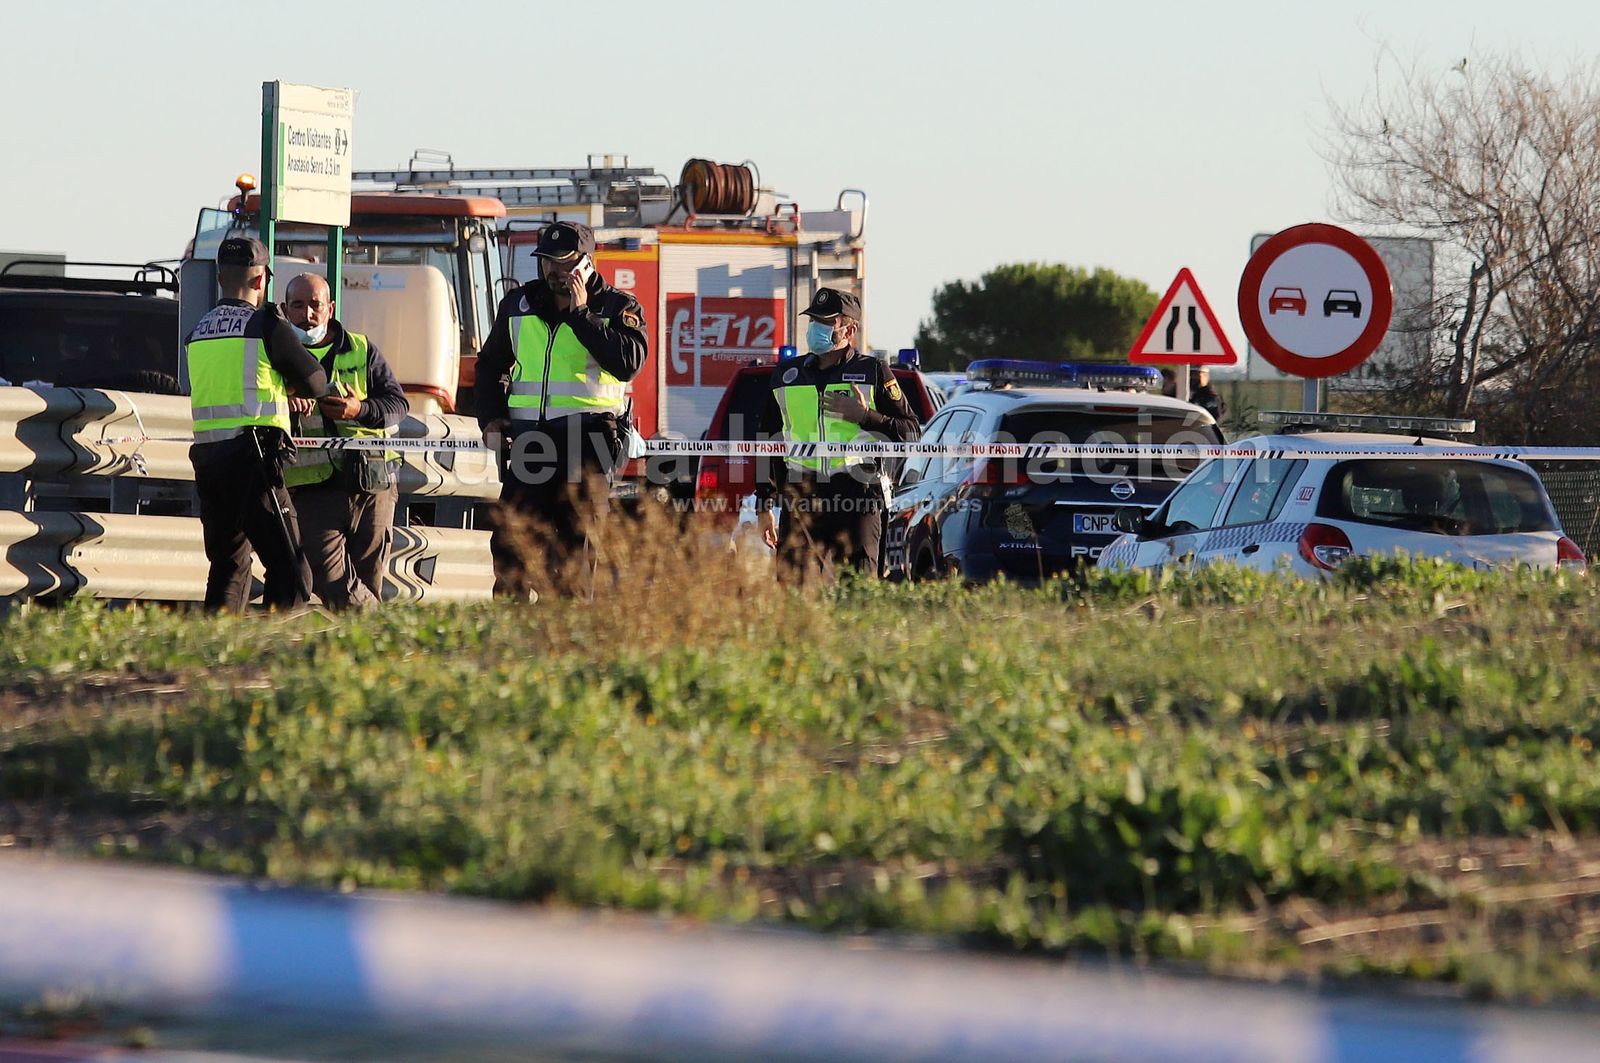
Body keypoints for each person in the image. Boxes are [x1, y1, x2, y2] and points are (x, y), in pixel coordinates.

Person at [475, 221, 647, 597]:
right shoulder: (519, 303)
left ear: (586, 264)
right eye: (546, 262)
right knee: (511, 546)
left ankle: (567, 642)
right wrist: (490, 418)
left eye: (564, 262)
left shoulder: (618, 306)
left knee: (574, 552)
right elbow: (489, 366)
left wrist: (581, 314)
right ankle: (508, 642)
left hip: (588, 444)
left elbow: (628, 363)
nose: (554, 270)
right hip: (530, 441)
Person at [185, 235, 328, 612]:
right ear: (262, 280)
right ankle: (274, 655)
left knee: (229, 567)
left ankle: (218, 656)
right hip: (255, 459)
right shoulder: (264, 325)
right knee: (293, 573)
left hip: (210, 461)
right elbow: (316, 380)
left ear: (220, 278)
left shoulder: (198, 331)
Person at [754, 288, 921, 581]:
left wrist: (864, 416)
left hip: (857, 496)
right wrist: (765, 504)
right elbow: (766, 441)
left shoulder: (873, 371)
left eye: (826, 321)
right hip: (802, 496)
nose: (815, 328)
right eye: (813, 320)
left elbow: (911, 433)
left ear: (849, 329)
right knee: (793, 599)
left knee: (857, 597)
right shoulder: (786, 374)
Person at [281, 272, 410, 609]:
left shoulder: (361, 349)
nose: (307, 315)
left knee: (369, 580)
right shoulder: (276, 354)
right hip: (311, 489)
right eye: (298, 305)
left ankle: (361, 656)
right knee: (330, 577)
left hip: (372, 483)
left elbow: (398, 406)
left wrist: (360, 409)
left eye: (315, 306)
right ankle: (381, 628)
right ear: (284, 308)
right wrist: (285, 405)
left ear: (331, 308)